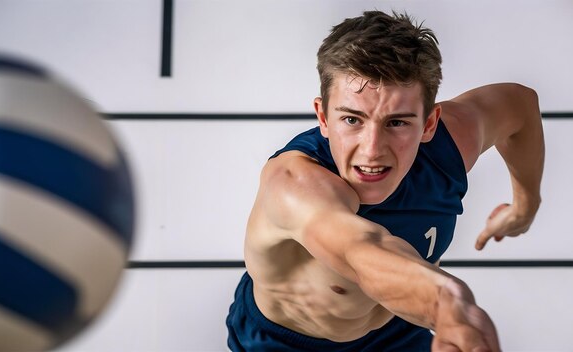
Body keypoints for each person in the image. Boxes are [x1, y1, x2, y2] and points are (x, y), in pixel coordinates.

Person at [226, 10, 544, 352]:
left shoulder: (449, 145)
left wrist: (525, 206)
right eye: (352, 119)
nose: (372, 150)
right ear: (322, 116)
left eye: (397, 123)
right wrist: (448, 305)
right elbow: (364, 251)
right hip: (289, 343)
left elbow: (520, 105)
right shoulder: (294, 184)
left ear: (429, 123)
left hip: (399, 330)